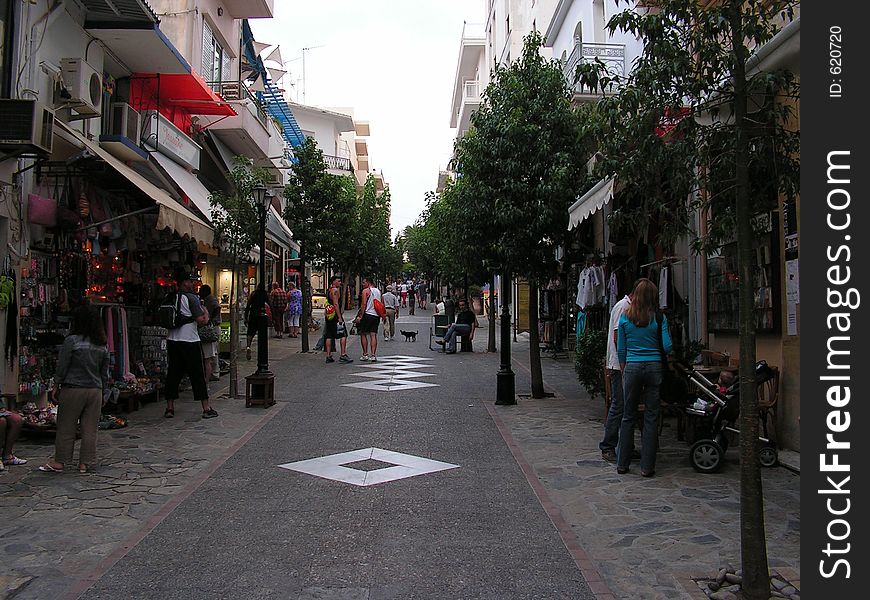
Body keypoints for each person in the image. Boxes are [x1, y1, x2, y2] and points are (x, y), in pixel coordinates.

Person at [38, 305, 109, 473]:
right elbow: (104, 372)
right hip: (95, 390)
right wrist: (104, 391)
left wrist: (56, 384)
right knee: (90, 428)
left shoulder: (72, 341)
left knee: (66, 426)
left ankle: (60, 461)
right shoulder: (102, 345)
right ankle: (85, 463)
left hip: (74, 388)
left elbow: (63, 366)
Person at [615, 278, 672, 477]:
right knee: (651, 417)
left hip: (632, 366)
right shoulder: (658, 317)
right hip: (654, 366)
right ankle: (647, 466)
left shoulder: (625, 318)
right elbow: (666, 346)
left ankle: (623, 463)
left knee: (628, 416)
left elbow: (621, 349)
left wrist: (624, 369)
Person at [164, 267, 218, 419]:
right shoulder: (191, 298)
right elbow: (202, 320)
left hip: (172, 340)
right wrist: (205, 310)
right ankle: (206, 408)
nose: (192, 283)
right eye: (190, 281)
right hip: (190, 340)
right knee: (197, 375)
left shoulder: (170, 296)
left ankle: (170, 407)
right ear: (184, 282)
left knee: (173, 374)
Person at [599, 281, 639, 462]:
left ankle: (626, 445)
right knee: (619, 405)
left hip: (623, 364)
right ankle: (608, 445)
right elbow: (617, 336)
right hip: (618, 364)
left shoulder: (626, 307)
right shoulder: (623, 307)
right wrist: (623, 361)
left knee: (626, 406)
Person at [354, 277, 385, 362]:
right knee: (373, 335)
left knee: (363, 334)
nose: (362, 284)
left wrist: (360, 315)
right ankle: (373, 355)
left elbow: (363, 304)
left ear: (368, 283)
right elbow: (382, 303)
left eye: (364, 282)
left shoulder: (366, 291)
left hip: (367, 314)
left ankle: (365, 354)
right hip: (376, 316)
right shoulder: (378, 291)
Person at [324, 276, 353, 364]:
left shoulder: (328, 290)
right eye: (338, 281)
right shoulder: (335, 291)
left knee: (329, 335)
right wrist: (339, 316)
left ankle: (328, 355)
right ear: (334, 282)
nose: (340, 282)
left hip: (329, 315)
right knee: (343, 334)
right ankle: (343, 354)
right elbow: (336, 304)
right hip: (335, 315)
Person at [198, 284, 221, 383]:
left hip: (213, 327)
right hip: (212, 326)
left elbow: (217, 307)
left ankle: (215, 372)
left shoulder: (211, 299)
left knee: (213, 352)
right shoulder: (207, 300)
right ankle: (213, 372)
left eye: (201, 291)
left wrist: (210, 318)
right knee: (212, 352)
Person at [244, 284, 268, 361]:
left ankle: (248, 346)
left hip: (253, 314)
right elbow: (270, 304)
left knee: (250, 333)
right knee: (262, 334)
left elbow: (248, 306)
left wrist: (245, 317)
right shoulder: (265, 294)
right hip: (261, 315)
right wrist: (273, 317)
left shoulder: (253, 294)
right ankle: (261, 349)